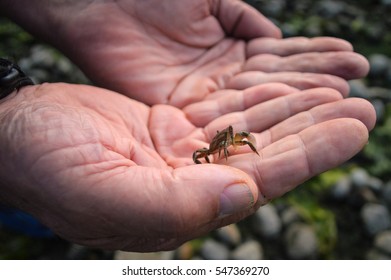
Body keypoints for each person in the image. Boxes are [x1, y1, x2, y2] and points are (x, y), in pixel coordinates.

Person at [0, 0, 376, 252]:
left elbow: (231, 140)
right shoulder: (208, 149)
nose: (231, 138)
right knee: (36, 203)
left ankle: (37, 225)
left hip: (214, 147)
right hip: (204, 151)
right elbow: (207, 152)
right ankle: (32, 227)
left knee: (43, 201)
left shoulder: (229, 138)